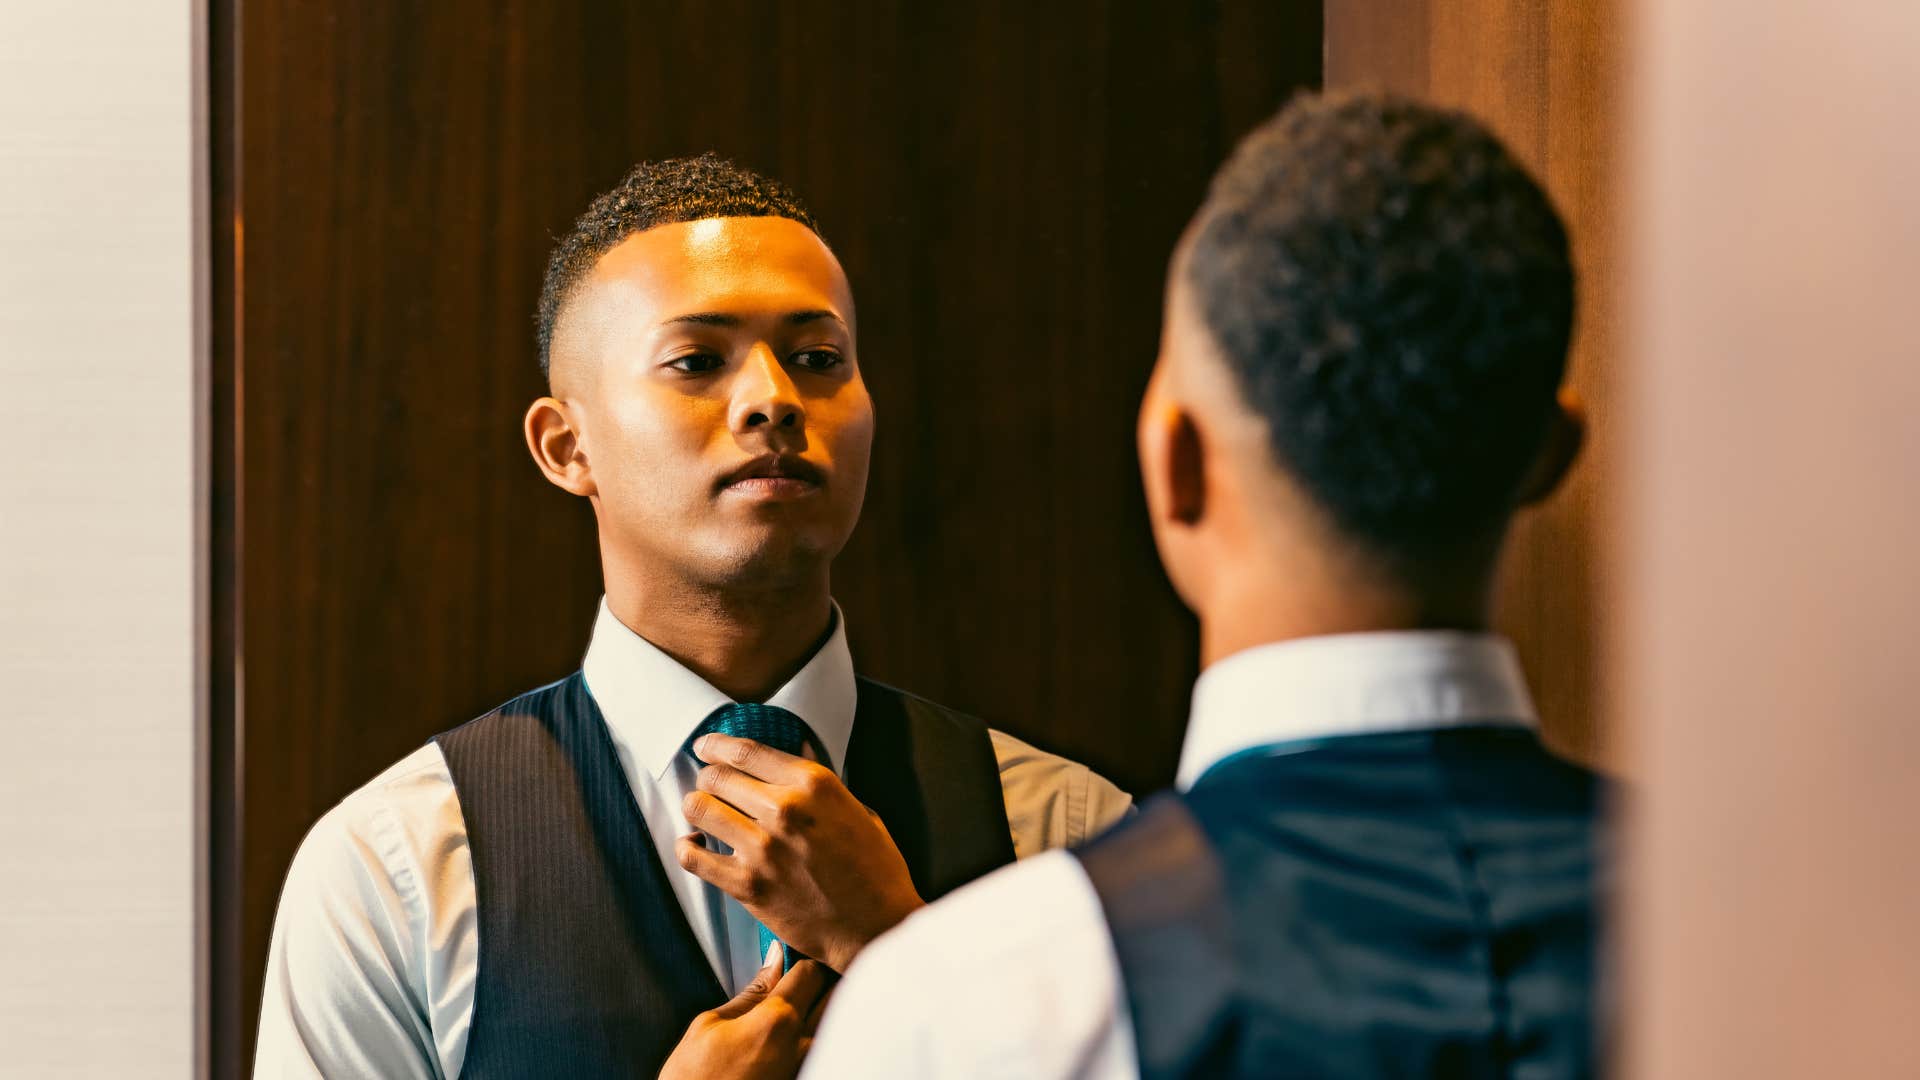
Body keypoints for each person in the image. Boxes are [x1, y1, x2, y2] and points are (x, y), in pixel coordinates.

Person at [680, 91, 1611, 1078]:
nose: (771, 401)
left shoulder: (976, 1004)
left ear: (1175, 462)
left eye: (818, 356)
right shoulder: (1768, 921)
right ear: (1549, 457)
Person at [252, 155, 1131, 1079]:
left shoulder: (1068, 832)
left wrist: (894, 950)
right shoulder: (396, 871)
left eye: (817, 359)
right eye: (698, 361)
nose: (774, 400)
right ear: (567, 446)